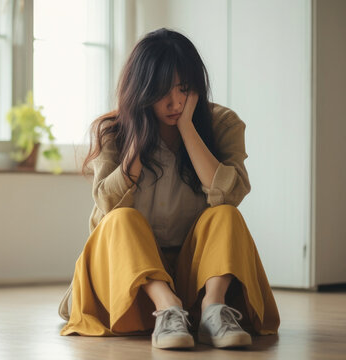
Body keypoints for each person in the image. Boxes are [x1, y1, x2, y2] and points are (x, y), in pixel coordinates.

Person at [58, 28, 280, 350]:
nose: (175, 102)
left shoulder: (223, 124)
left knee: (224, 214)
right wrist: (140, 130)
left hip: (197, 282)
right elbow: (108, 202)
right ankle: (166, 307)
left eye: (184, 89)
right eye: (162, 91)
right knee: (122, 218)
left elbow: (230, 195)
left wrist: (188, 129)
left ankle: (214, 310)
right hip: (132, 286)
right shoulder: (113, 132)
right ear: (142, 91)